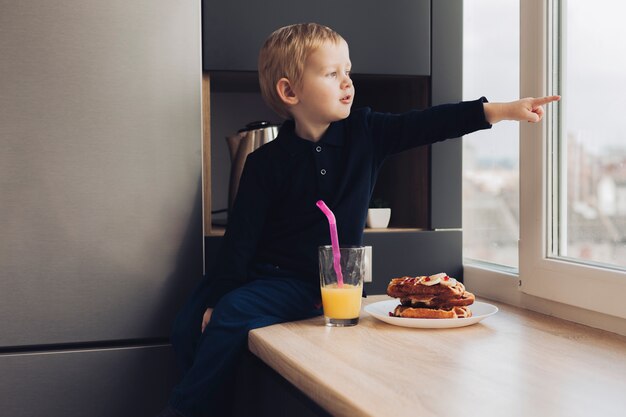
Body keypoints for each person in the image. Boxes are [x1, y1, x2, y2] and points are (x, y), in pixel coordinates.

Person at [158, 23, 559, 417]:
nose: (348, 82)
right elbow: (241, 242)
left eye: (348, 71)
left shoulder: (366, 132)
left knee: (230, 315)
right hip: (260, 274)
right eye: (333, 74)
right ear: (289, 91)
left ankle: (184, 410)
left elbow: (428, 122)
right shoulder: (263, 163)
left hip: (310, 284)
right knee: (187, 323)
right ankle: (214, 402)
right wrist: (214, 298)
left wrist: (501, 111)